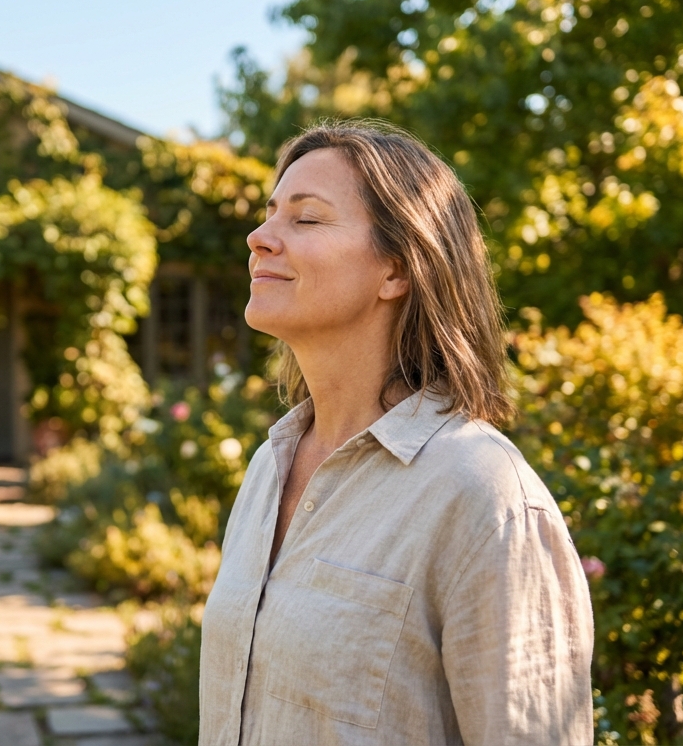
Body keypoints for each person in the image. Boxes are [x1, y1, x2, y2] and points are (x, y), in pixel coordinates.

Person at [199, 121, 594, 745]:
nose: (258, 238)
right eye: (270, 213)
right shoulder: (268, 467)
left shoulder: (484, 498)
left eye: (306, 219)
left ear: (397, 271)